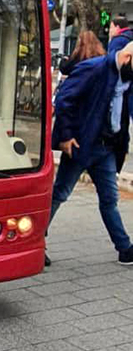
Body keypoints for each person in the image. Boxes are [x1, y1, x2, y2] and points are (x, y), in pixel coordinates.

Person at [48, 40, 133, 267]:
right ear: (127, 58)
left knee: (109, 199)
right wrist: (66, 136)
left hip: (107, 148)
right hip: (82, 144)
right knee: (60, 193)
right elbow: (64, 100)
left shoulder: (127, 77)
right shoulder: (94, 68)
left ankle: (125, 248)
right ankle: (36, 241)